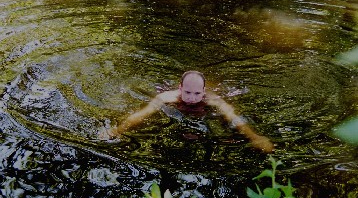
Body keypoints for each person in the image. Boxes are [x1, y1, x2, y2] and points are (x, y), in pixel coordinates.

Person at [99, 70, 274, 153]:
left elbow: (234, 118)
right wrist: (116, 131)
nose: (191, 97)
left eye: (197, 93)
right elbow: (141, 114)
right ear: (180, 88)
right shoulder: (167, 98)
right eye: (187, 92)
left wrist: (255, 137)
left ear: (204, 91)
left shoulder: (213, 100)